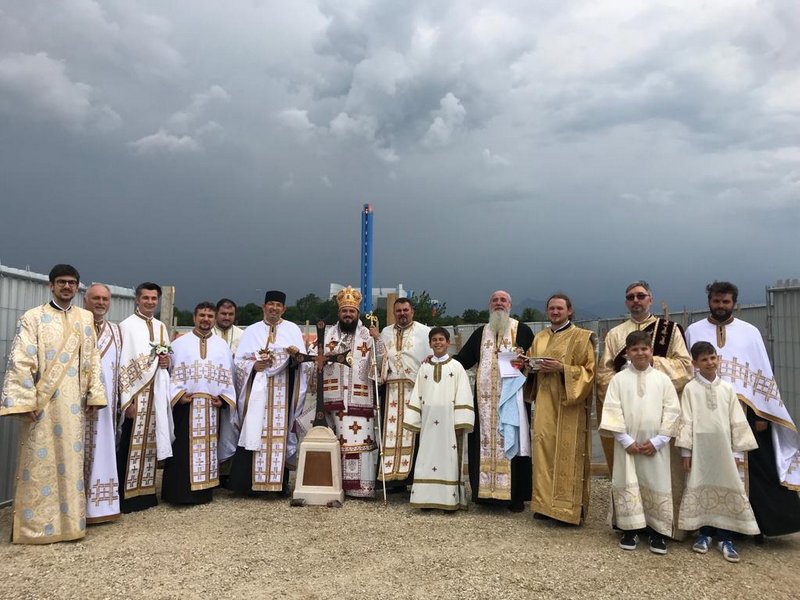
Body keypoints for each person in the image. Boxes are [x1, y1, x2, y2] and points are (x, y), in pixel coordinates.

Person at [1, 264, 106, 544]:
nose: (67, 287)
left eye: (72, 282)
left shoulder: (85, 318)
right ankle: (35, 526)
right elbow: (21, 359)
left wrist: (95, 394)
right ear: (51, 286)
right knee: (39, 463)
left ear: (77, 287)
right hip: (43, 404)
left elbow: (93, 359)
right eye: (61, 282)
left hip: (74, 406)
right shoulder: (33, 317)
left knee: (70, 463)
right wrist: (25, 401)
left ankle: (70, 525)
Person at [685, 281, 800, 538]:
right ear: (709, 302)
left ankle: (754, 526)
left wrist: (761, 414)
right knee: (709, 464)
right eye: (716, 301)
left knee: (756, 466)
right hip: (706, 409)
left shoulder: (750, 332)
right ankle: (710, 523)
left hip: (746, 411)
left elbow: (762, 372)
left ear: (734, 303)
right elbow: (688, 371)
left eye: (725, 301)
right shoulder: (694, 330)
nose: (721, 306)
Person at [676, 341, 759, 563]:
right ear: (695, 364)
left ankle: (725, 537)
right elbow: (686, 420)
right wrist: (686, 453)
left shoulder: (727, 389)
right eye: (704, 359)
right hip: (700, 451)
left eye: (713, 358)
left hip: (725, 450)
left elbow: (736, 420)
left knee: (727, 486)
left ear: (718, 359)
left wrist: (738, 453)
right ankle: (705, 534)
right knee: (701, 485)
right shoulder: (690, 389)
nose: (710, 363)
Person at [599, 330, 681, 555]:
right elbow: (613, 410)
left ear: (651, 351)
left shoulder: (663, 380)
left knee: (657, 483)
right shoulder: (618, 380)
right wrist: (625, 440)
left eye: (644, 348)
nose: (640, 353)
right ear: (627, 353)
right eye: (634, 349)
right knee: (628, 481)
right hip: (628, 445)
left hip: (656, 447)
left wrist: (659, 440)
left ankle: (658, 531)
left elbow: (672, 411)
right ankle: (630, 529)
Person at [596, 280, 692, 472]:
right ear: (626, 302)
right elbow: (604, 373)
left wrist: (651, 362)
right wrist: (622, 395)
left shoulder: (670, 330)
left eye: (641, 296)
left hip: (660, 410)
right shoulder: (615, 334)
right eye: (631, 297)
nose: (636, 300)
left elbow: (685, 368)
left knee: (663, 472)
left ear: (650, 300)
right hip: (627, 413)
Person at [453, 290, 534, 512]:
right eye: (495, 300)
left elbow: (533, 360)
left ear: (510, 305)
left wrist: (526, 364)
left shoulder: (522, 330)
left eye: (503, 300)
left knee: (515, 442)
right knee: (482, 443)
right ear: (490, 305)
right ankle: (484, 495)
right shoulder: (481, 333)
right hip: (484, 403)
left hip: (513, 400)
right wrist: (438, 360)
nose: (499, 303)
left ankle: (515, 497)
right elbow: (462, 360)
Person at [226, 290, 306, 495]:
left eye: (278, 305)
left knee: (280, 434)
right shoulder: (251, 331)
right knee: (254, 430)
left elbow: (304, 364)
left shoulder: (293, 329)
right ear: (264, 306)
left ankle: (278, 485)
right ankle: (248, 485)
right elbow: (239, 362)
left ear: (284, 309)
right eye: (271, 304)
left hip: (284, 394)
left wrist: (296, 357)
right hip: (256, 394)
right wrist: (253, 366)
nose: (274, 308)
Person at [525, 293, 595, 524]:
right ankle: (544, 505)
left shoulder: (582, 337)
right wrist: (526, 366)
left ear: (569, 311)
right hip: (545, 403)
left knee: (568, 453)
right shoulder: (540, 337)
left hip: (569, 406)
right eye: (551, 309)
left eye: (559, 308)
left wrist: (562, 368)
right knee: (543, 450)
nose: (555, 312)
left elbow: (589, 372)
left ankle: (566, 509)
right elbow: (530, 364)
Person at [162, 302, 236, 504]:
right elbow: (168, 374)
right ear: (194, 318)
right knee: (181, 451)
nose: (205, 319)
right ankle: (178, 493)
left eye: (210, 316)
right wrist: (178, 395)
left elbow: (229, 376)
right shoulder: (179, 344)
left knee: (208, 450)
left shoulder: (222, 346)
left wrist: (223, 399)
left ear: (214, 319)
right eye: (202, 315)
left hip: (211, 408)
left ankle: (203, 493)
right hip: (185, 405)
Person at [312, 286, 379, 498]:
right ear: (339, 313)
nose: (347, 314)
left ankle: (361, 489)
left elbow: (379, 366)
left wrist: (378, 341)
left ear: (357, 313)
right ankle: (334, 485)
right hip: (334, 399)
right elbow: (314, 359)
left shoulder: (367, 335)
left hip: (360, 399)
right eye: (344, 311)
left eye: (351, 311)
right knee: (335, 444)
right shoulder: (327, 335)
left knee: (360, 445)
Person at [403, 327, 474, 510]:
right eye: (434, 340)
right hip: (428, 422)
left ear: (448, 343)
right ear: (430, 344)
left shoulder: (456, 367)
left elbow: (464, 392)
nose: (438, 343)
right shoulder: (424, 367)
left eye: (441, 339)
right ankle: (425, 498)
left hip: (449, 422)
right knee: (426, 456)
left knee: (448, 458)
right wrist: (414, 418)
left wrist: (461, 419)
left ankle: (448, 500)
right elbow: (417, 392)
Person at [116, 282, 172, 513]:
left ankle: (146, 492)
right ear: (137, 300)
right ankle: (125, 496)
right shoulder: (125, 326)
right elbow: (121, 364)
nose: (150, 302)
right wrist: (126, 401)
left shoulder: (161, 327)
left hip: (155, 393)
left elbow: (166, 358)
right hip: (135, 395)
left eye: (153, 298)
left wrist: (167, 361)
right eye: (146, 298)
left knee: (150, 443)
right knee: (129, 443)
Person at [370, 297, 430, 489]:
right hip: (391, 389)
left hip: (414, 388)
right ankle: (390, 480)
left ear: (412, 311)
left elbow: (431, 358)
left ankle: (410, 479)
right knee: (388, 433)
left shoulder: (425, 331)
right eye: (399, 311)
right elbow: (380, 357)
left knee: (413, 432)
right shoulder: (386, 332)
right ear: (394, 313)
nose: (402, 314)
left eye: (405, 310)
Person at [83, 283, 122, 524]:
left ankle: (101, 507)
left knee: (103, 452)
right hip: (78, 404)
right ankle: (76, 508)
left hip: (107, 407)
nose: (100, 303)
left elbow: (123, 368)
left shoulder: (116, 331)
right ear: (85, 300)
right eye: (96, 298)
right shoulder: (76, 325)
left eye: (105, 299)